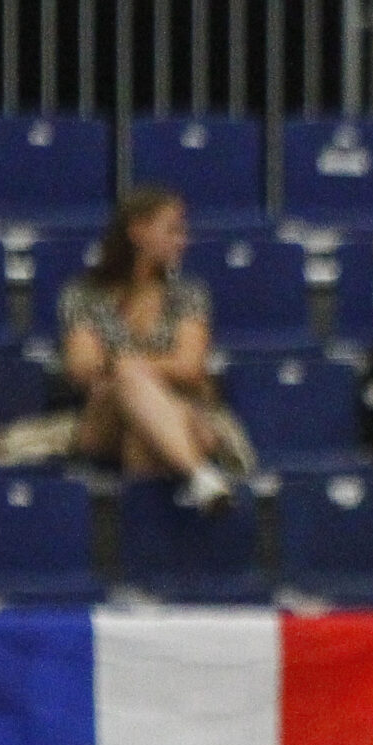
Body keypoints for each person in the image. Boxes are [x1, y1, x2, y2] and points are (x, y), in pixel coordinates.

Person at [59, 188, 239, 512]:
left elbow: (190, 367)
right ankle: (200, 473)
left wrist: (120, 364)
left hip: (182, 411)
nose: (183, 240)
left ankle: (149, 555)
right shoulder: (85, 294)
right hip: (104, 420)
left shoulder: (187, 294)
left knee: (142, 438)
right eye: (173, 230)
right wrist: (135, 370)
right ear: (137, 231)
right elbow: (80, 365)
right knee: (129, 380)